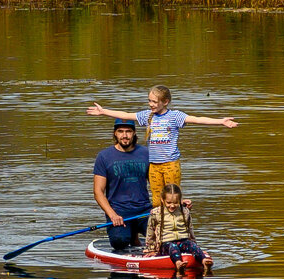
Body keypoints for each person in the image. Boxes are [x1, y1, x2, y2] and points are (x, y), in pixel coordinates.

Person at [87, 84, 238, 203]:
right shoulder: (147, 116)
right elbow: (126, 115)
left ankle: (176, 227)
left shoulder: (174, 116)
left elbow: (197, 119)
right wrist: (103, 111)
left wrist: (221, 121)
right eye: (149, 101)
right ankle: (159, 232)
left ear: (165, 102)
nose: (151, 104)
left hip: (170, 163)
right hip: (154, 165)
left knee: (172, 197)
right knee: (157, 200)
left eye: (154, 101)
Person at [93, 118, 151, 251]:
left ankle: (135, 232)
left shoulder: (146, 153)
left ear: (134, 133)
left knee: (164, 238)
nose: (124, 135)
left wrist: (176, 200)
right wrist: (112, 215)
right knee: (119, 242)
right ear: (115, 133)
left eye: (128, 131)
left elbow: (159, 184)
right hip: (119, 211)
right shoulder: (104, 156)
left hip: (144, 211)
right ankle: (131, 235)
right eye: (120, 131)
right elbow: (98, 192)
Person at [144, 183, 213, 274]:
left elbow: (190, 229)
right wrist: (151, 249)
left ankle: (204, 261)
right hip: (166, 243)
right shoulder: (156, 213)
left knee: (191, 245)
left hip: (183, 240)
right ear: (162, 200)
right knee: (173, 246)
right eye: (168, 203)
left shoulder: (185, 211)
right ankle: (178, 263)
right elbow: (150, 231)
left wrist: (195, 247)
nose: (172, 206)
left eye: (175, 203)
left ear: (180, 200)